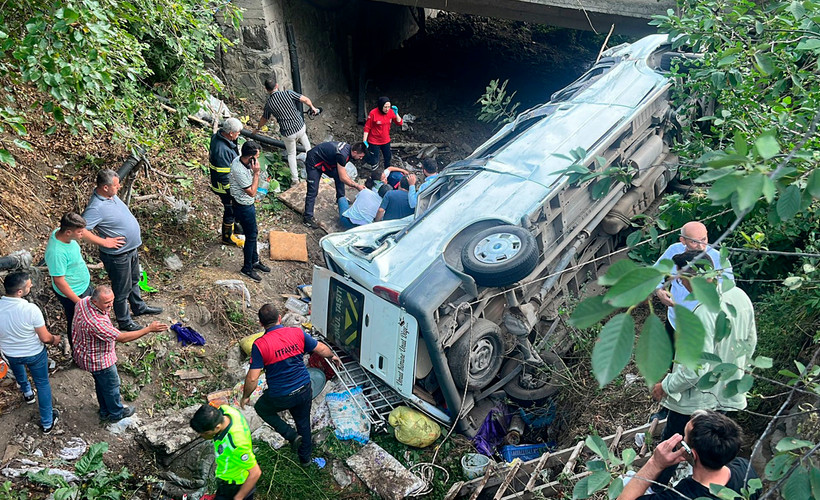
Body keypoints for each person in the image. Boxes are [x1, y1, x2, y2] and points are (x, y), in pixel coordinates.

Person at [651, 251, 756, 486]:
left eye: (681, 279)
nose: (680, 283)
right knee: (712, 445)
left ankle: (657, 488)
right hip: (727, 391)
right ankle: (712, 485)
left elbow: (693, 371)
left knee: (674, 443)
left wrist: (664, 386)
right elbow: (750, 343)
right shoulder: (740, 297)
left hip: (694, 400)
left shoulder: (698, 314)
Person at [241, 303, 341, 465]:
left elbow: (252, 378)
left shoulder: (260, 345)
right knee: (303, 422)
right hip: (304, 389)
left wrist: (246, 396)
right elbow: (321, 349)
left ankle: (291, 435)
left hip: (281, 396)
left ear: (260, 323)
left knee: (261, 408)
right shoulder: (297, 332)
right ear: (279, 318)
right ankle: (305, 460)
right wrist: (332, 356)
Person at [82, 169, 163, 331]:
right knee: (121, 289)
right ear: (105, 187)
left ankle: (138, 307)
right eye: (116, 186)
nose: (119, 188)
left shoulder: (111, 196)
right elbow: (81, 230)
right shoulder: (96, 207)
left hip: (130, 250)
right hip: (117, 256)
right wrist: (104, 242)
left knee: (134, 280)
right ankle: (124, 321)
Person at [73, 285, 168, 422]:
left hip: (85, 353)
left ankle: (105, 410)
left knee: (101, 384)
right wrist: (148, 329)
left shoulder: (83, 302)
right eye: (106, 303)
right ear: (95, 302)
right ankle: (116, 413)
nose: (110, 305)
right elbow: (122, 338)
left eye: (112, 300)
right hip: (99, 360)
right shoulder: (96, 323)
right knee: (111, 386)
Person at [618, 410, 759, 500]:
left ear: (693, 454)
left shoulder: (681, 495)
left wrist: (655, 463)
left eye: (684, 437)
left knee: (625, 482)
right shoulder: (746, 470)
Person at [0, 272, 61, 433]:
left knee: (19, 369)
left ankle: (27, 393)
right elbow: (45, 337)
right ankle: (47, 422)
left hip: (11, 353)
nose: (31, 285)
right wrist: (55, 339)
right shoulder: (30, 309)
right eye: (28, 285)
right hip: (34, 353)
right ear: (19, 292)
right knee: (42, 384)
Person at [654, 221, 734, 336]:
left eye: (704, 240)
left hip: (703, 322)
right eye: (694, 242)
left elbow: (728, 290)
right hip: (675, 319)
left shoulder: (719, 259)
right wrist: (659, 291)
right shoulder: (673, 251)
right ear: (683, 240)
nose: (701, 247)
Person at [255, 77, 319, 185]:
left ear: (266, 89)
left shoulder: (269, 104)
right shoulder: (288, 93)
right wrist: (313, 107)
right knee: (308, 148)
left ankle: (295, 180)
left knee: (291, 154)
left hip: (288, 133)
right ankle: (314, 171)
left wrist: (257, 129)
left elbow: (264, 119)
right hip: (300, 127)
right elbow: (306, 100)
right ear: (277, 86)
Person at [190, 403, 261, 500]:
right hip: (227, 479)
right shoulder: (226, 410)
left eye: (205, 433)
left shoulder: (236, 444)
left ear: (217, 427)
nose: (202, 436)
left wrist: (238, 497)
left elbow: (255, 473)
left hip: (236, 484)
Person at [44, 212, 93, 351]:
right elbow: (59, 281)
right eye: (79, 232)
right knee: (76, 323)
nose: (82, 234)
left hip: (83, 285)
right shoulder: (56, 252)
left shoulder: (61, 234)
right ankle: (78, 352)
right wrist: (78, 302)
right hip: (73, 292)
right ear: (68, 232)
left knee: (88, 318)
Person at [229, 140, 271, 283]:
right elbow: (252, 192)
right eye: (256, 157)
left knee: (253, 234)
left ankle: (254, 261)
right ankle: (247, 268)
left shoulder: (242, 161)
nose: (258, 160)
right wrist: (257, 174)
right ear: (250, 157)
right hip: (243, 206)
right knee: (251, 236)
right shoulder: (239, 170)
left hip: (246, 205)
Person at [303, 141, 367, 229]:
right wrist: (356, 185)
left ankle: (340, 198)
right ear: (355, 152)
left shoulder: (349, 150)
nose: (360, 159)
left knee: (338, 174)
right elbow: (343, 178)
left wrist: (349, 181)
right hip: (314, 161)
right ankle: (307, 218)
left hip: (326, 162)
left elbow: (342, 173)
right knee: (312, 191)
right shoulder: (342, 155)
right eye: (360, 156)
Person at [209, 118, 245, 247]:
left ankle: (235, 228)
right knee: (230, 209)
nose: (239, 135)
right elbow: (223, 174)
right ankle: (227, 237)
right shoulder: (222, 150)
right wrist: (232, 191)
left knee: (233, 208)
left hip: (224, 182)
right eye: (238, 133)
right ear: (230, 133)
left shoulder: (219, 138)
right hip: (223, 186)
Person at [362, 96, 403, 170]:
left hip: (385, 140)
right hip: (374, 141)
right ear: (381, 106)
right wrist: (364, 140)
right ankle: (374, 173)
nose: (387, 109)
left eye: (388, 107)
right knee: (374, 159)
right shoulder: (373, 113)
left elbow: (400, 123)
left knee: (388, 157)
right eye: (385, 107)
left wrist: (396, 114)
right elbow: (367, 127)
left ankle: (387, 172)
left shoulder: (390, 112)